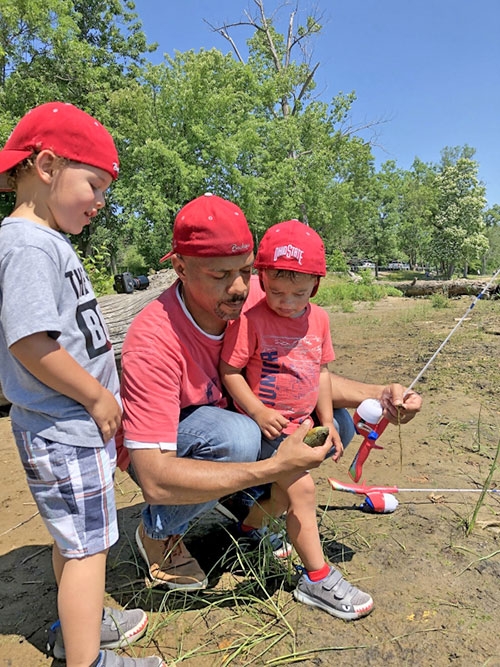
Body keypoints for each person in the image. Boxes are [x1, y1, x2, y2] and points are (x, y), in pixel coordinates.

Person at [120, 193, 422, 610]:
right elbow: (152, 475)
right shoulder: (153, 340)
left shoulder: (270, 291)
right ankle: (158, 531)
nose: (241, 287)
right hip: (176, 446)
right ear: (180, 268)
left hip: (241, 425)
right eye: (221, 274)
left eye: (246, 271)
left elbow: (303, 373)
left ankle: (248, 510)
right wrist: (277, 466)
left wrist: (382, 395)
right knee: (239, 437)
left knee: (335, 421)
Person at [0, 102, 164, 667]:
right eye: (93, 184)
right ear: (46, 166)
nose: (100, 202)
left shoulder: (48, 240)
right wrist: (96, 395)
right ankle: (87, 657)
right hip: (64, 426)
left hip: (72, 426)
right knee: (89, 548)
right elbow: (29, 343)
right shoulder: (26, 245)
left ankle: (83, 622)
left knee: (75, 541)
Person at [219, 219, 375, 619]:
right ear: (262, 280)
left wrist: (327, 421)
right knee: (303, 490)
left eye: (299, 293)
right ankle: (316, 578)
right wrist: (257, 410)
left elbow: (320, 373)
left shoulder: (319, 320)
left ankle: (251, 531)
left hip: (304, 423)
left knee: (285, 495)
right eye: (276, 291)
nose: (286, 302)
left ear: (316, 288)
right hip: (267, 426)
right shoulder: (250, 320)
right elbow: (231, 372)